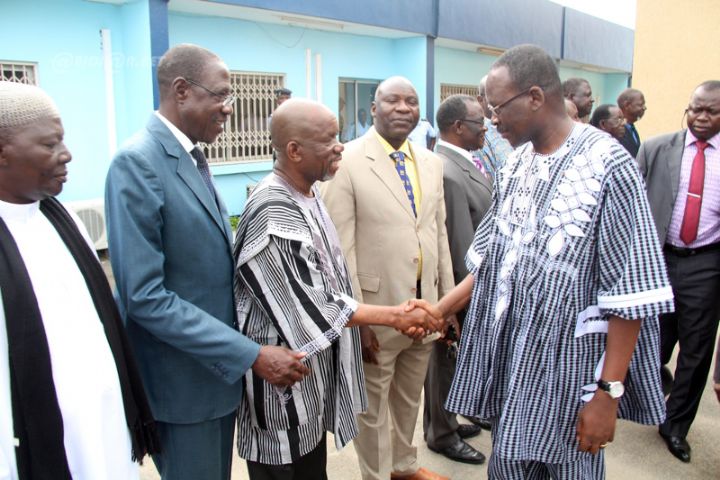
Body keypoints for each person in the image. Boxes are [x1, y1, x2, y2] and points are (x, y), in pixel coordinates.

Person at [419, 44, 673, 478]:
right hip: (513, 366)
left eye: (498, 108)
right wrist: (438, 311)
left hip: (571, 377)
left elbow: (631, 293)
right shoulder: (515, 164)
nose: (492, 121)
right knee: (508, 466)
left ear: (535, 97)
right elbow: (492, 260)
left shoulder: (609, 164)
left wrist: (607, 394)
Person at [105, 44, 309, 480]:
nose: (228, 108)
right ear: (181, 90)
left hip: (213, 378)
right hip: (180, 387)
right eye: (220, 95)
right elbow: (145, 297)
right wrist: (249, 354)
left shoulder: (191, 156)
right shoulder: (138, 163)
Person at [233, 98, 443, 479]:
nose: (339, 146)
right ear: (294, 151)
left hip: (308, 384)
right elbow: (312, 304)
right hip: (281, 391)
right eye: (328, 140)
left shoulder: (308, 193)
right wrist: (394, 315)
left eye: (338, 135)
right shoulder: (273, 208)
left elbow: (334, 274)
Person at [0, 81, 159, 479]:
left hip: (105, 426)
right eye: (49, 144)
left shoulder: (63, 220)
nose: (66, 154)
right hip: (42, 444)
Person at [321, 76, 454, 480]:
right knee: (373, 407)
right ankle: (377, 475)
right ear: (374, 108)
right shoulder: (347, 160)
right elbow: (339, 249)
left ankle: (404, 466)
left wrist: (446, 303)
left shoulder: (431, 162)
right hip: (377, 313)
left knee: (409, 399)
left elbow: (439, 233)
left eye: (410, 101)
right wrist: (358, 320)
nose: (402, 108)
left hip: (426, 309)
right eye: (392, 101)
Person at [637, 80, 720, 463]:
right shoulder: (657, 148)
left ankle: (675, 426)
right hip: (659, 258)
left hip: (706, 262)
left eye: (711, 111)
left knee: (696, 350)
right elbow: (632, 205)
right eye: (695, 109)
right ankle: (642, 398)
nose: (701, 117)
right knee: (651, 340)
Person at [422, 94, 491, 466]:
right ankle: (442, 434)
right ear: (459, 127)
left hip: (464, 286)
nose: (486, 129)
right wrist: (462, 299)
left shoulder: (462, 162)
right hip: (459, 286)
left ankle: (445, 419)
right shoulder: (447, 171)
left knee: (451, 360)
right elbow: (460, 243)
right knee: (445, 358)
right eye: (480, 122)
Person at [473, 75, 514, 180]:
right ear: (480, 100)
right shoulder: (477, 133)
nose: (502, 101)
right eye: (495, 96)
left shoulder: (516, 127)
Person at [617, 88, 647, 158]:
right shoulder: (617, 130)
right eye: (640, 105)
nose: (644, 108)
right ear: (627, 105)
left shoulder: (631, 128)